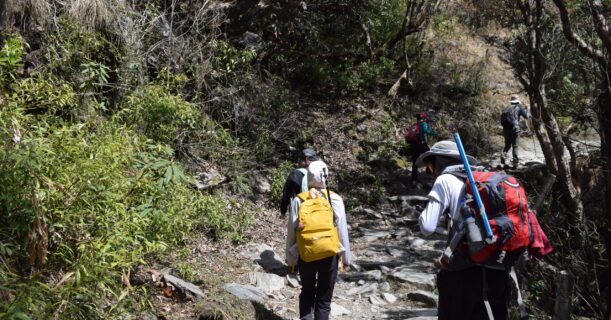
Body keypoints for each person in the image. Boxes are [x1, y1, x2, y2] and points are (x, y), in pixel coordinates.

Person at [415, 141, 510, 320]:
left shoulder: (445, 179)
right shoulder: (486, 178)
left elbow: (427, 227)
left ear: (440, 162)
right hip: (497, 267)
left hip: (462, 270)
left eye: (430, 165)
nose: (430, 170)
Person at [285, 161, 351, 320]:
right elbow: (342, 230)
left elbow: (292, 232)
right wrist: (345, 258)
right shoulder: (334, 199)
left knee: (307, 292)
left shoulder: (299, 200)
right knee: (324, 298)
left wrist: (291, 258)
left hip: (306, 253)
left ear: (308, 177)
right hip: (329, 254)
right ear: (325, 177)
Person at [280, 148, 319, 217]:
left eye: (300, 159)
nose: (298, 162)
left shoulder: (296, 174)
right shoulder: (320, 174)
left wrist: (283, 211)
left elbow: (286, 194)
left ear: (306, 160)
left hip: (300, 212)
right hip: (317, 213)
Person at [500, 95, 530, 166]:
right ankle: (515, 162)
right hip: (515, 128)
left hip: (506, 128)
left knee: (507, 145)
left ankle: (503, 154)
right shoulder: (519, 108)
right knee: (515, 145)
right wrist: (528, 110)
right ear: (517, 102)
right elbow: (527, 117)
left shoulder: (506, 109)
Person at [408, 112, 438, 182]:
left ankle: (414, 178)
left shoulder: (414, 125)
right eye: (425, 118)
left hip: (413, 145)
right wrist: (435, 133)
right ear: (423, 118)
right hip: (421, 144)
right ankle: (429, 174)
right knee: (431, 157)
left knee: (415, 162)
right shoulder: (423, 123)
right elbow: (425, 130)